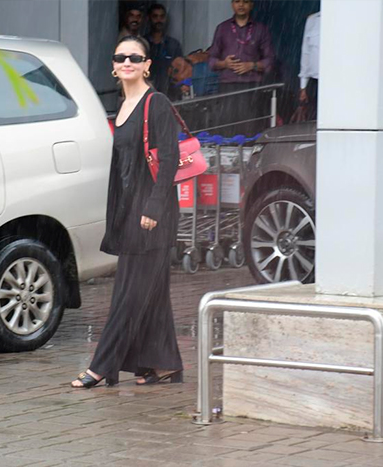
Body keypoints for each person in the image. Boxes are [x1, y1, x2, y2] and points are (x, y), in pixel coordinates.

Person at [71, 36, 184, 389]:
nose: (127, 62)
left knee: (128, 294)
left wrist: (152, 207)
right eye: (121, 57)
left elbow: (168, 161)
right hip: (130, 212)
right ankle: (163, 364)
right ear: (114, 65)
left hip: (151, 215)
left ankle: (102, 365)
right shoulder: (122, 106)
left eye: (135, 57)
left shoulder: (157, 103)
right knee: (151, 295)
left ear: (148, 64)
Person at [208, 0, 275, 135]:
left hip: (251, 86)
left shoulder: (261, 29)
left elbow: (270, 61)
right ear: (232, 4)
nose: (241, 5)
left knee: (251, 128)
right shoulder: (222, 28)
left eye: (245, 2)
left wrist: (252, 65)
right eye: (237, 1)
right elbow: (211, 60)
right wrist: (224, 64)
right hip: (227, 86)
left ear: (251, 5)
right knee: (227, 127)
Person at [144, 3, 184, 100]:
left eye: (162, 16)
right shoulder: (143, 44)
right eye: (155, 16)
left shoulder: (173, 45)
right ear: (149, 18)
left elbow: (180, 71)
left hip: (169, 96)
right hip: (146, 95)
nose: (159, 20)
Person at [293, 10, 320, 122]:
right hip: (316, 81)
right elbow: (306, 52)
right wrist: (303, 86)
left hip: (340, 82)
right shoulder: (312, 20)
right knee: (314, 121)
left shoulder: (346, 19)